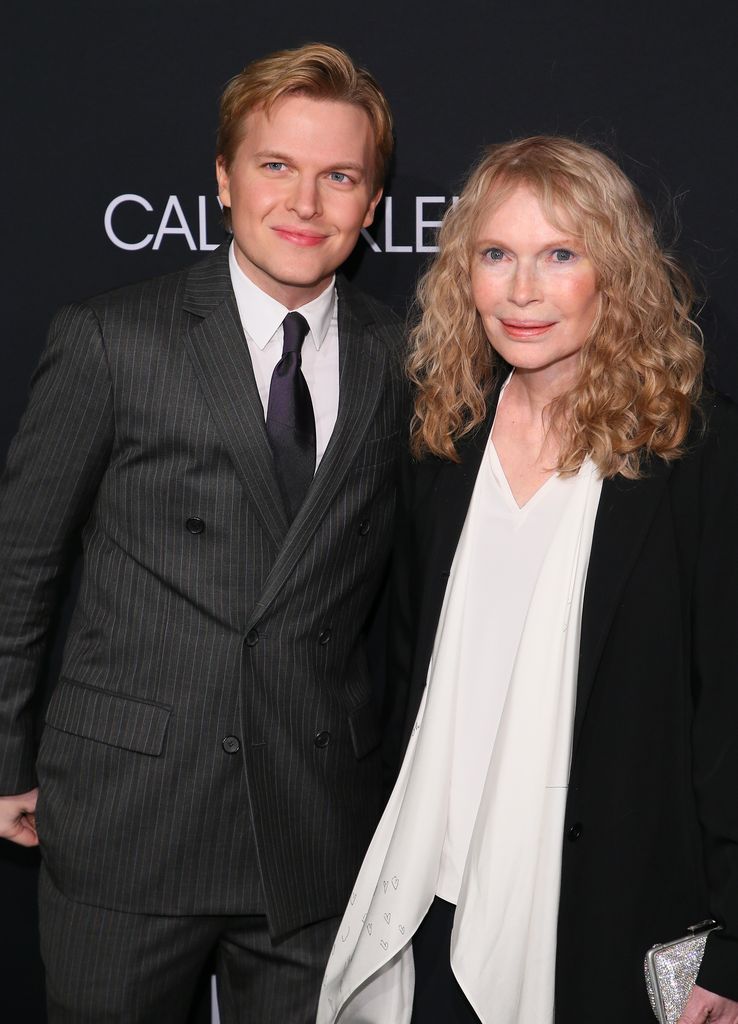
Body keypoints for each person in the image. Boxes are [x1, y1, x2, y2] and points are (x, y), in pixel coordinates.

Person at [0, 42, 405, 1023]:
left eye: (339, 176)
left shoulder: (409, 359)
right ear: (223, 178)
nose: (306, 203)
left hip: (314, 828)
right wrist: (5, 756)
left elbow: (408, 600)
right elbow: (22, 566)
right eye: (277, 166)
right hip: (131, 813)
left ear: (372, 201)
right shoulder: (113, 338)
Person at [318, 136, 738, 1023]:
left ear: (614, 274)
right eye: (496, 255)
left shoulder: (694, 450)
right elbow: (401, 672)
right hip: (431, 901)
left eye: (559, 255)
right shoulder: (441, 438)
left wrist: (732, 944)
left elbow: (728, 714)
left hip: (607, 916)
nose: (521, 291)